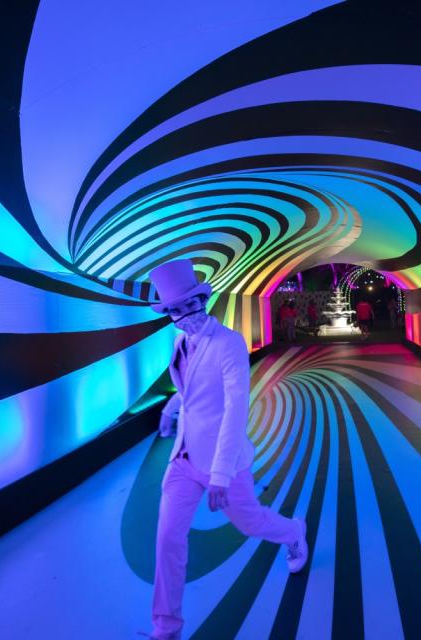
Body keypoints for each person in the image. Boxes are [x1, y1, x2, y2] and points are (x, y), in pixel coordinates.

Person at [145, 260, 308, 640]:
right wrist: (171, 410)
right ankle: (165, 628)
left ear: (203, 299)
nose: (184, 315)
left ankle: (294, 531)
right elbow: (190, 393)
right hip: (183, 460)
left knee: (251, 523)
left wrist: (220, 474)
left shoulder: (229, 343)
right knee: (168, 538)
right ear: (168, 313)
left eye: (190, 305)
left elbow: (236, 407)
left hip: (225, 462)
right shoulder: (179, 342)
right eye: (175, 309)